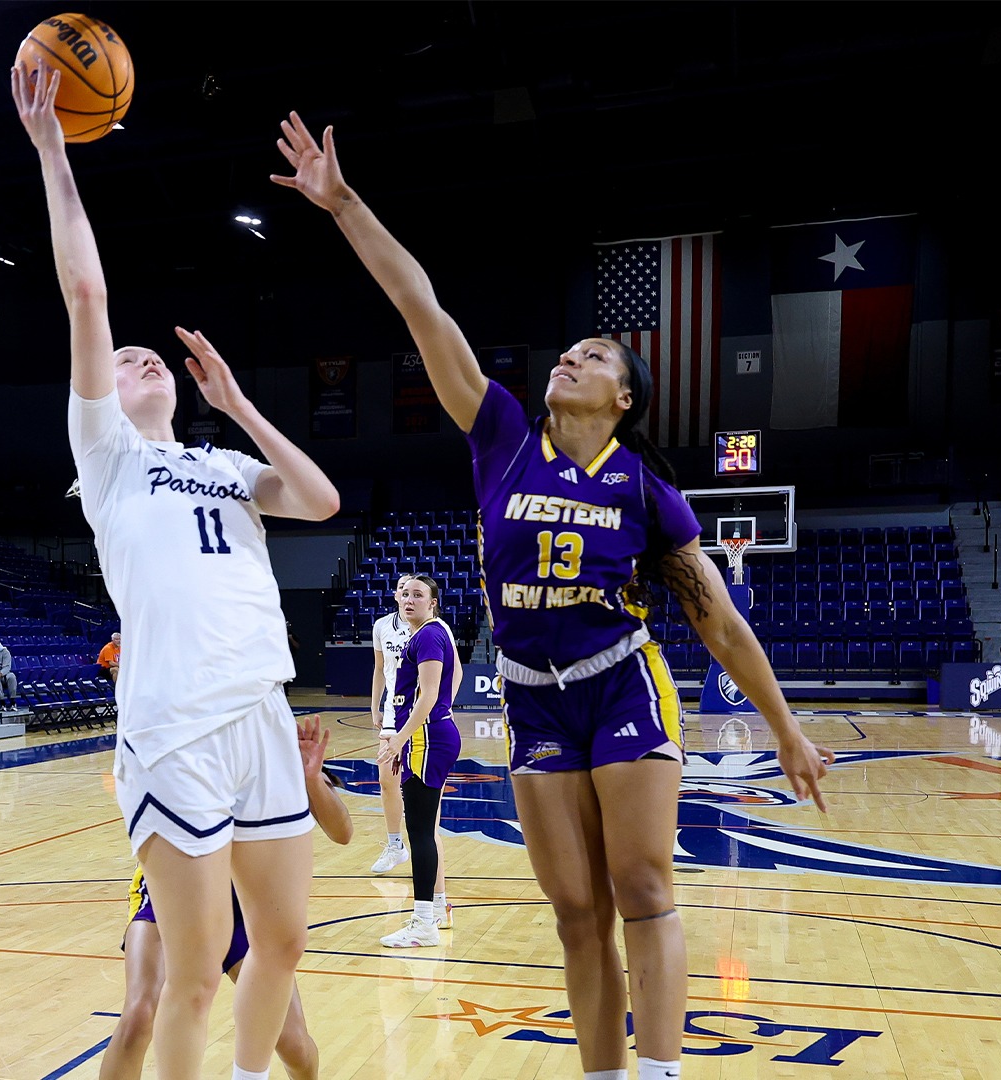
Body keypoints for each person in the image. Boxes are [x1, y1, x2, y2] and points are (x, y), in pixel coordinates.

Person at [278, 107, 832, 1080]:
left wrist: (785, 728)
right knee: (577, 913)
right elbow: (421, 308)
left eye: (597, 355)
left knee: (644, 886)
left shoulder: (644, 487)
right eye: (569, 350)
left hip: (621, 682)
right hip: (531, 692)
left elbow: (720, 621)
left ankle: (657, 1071)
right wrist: (343, 204)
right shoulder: (498, 433)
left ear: (624, 397)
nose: (571, 356)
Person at [16, 63, 344, 1080]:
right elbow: (86, 290)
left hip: (255, 708)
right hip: (171, 724)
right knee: (194, 975)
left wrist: (240, 401)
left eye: (155, 357)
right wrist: (54, 157)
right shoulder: (109, 459)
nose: (143, 357)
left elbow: (322, 500)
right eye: (127, 359)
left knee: (280, 949)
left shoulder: (223, 464)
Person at [99, 716, 353, 1080]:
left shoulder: (269, 737)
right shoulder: (182, 730)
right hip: (177, 894)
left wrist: (311, 778)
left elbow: (343, 831)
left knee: (295, 1045)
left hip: (246, 906)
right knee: (139, 1016)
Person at [375, 575, 463, 946]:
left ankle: (424, 921)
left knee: (422, 832)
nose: (409, 600)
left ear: (433, 603)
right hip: (424, 738)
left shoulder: (429, 634)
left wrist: (399, 740)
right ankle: (434, 910)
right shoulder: (422, 634)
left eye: (418, 595)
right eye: (405, 594)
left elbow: (427, 696)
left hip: (428, 737)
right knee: (424, 830)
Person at [367, 574, 415, 876]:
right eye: (402, 589)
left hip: (422, 714)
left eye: (412, 590)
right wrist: (374, 705)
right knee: (387, 780)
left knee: (418, 788)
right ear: (396, 595)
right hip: (392, 715)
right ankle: (395, 845)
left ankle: (425, 846)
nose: (406, 595)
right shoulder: (382, 626)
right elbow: (379, 668)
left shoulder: (432, 627)